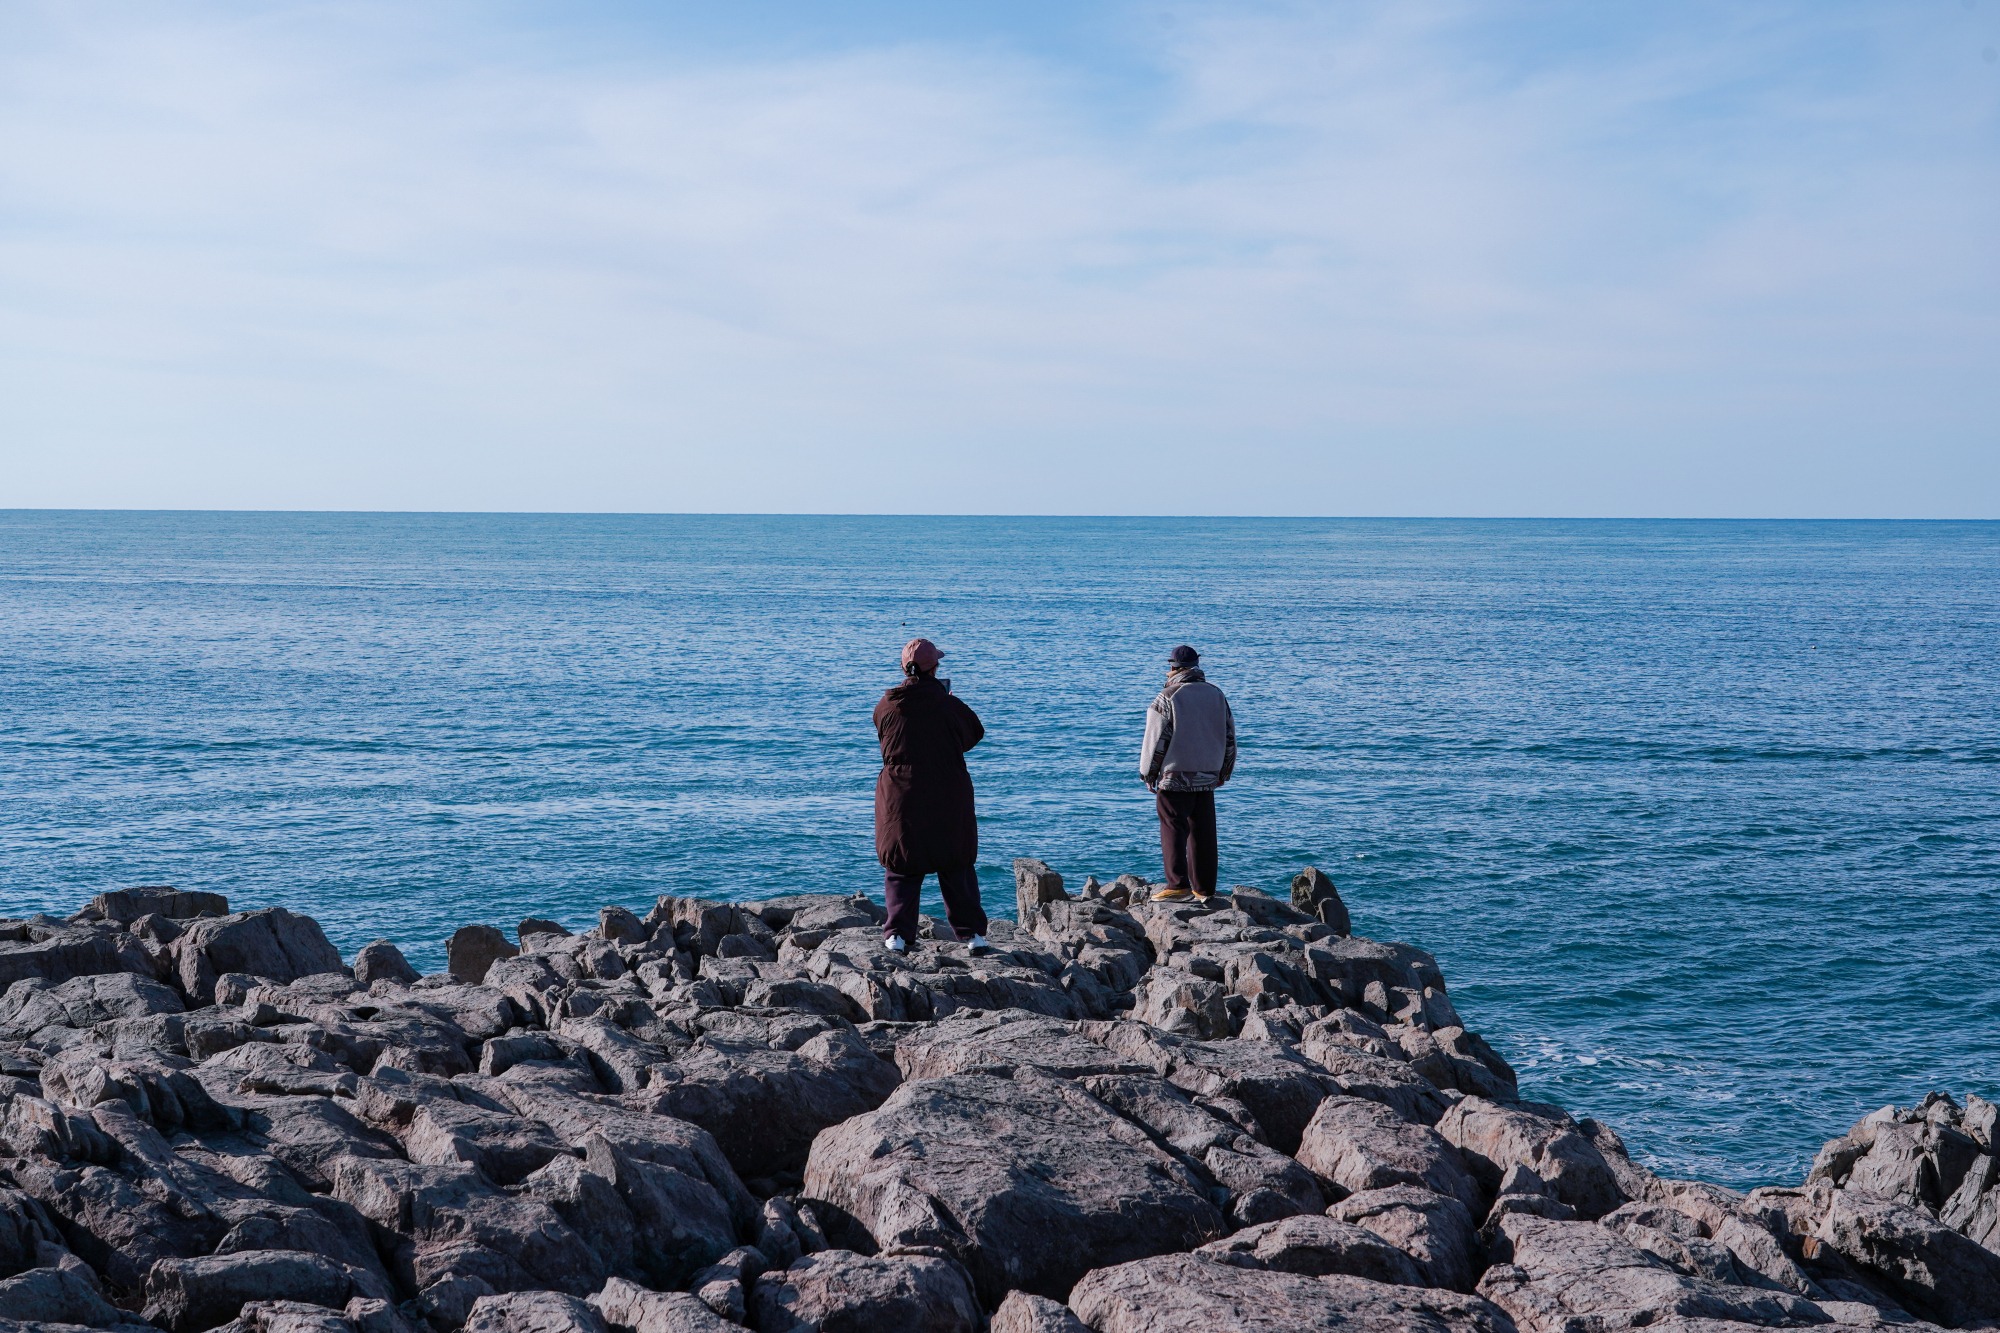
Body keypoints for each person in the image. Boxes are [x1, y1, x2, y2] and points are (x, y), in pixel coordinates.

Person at [873, 637, 992, 955]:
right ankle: (972, 937)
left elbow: (886, 737)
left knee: (902, 866)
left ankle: (897, 934)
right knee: (956, 863)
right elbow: (974, 733)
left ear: (904, 667)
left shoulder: (886, 706)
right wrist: (948, 701)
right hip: (946, 795)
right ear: (934, 668)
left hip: (901, 797)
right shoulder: (947, 705)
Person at [1139, 643, 1236, 902]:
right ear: (1197, 665)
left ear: (1172, 667)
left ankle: (1178, 885)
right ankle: (1204, 890)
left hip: (1175, 776)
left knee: (1173, 827)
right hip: (1208, 776)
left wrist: (1148, 774)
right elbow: (1229, 737)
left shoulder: (1168, 697)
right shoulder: (1217, 694)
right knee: (1203, 833)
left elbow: (1156, 740)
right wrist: (1224, 771)